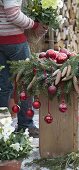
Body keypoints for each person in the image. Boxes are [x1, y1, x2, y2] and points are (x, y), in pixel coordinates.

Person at [0, 0, 48, 137]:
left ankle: (2, 129)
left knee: (4, 86)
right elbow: (13, 14)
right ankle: (25, 125)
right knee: (26, 82)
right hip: (14, 42)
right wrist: (34, 25)